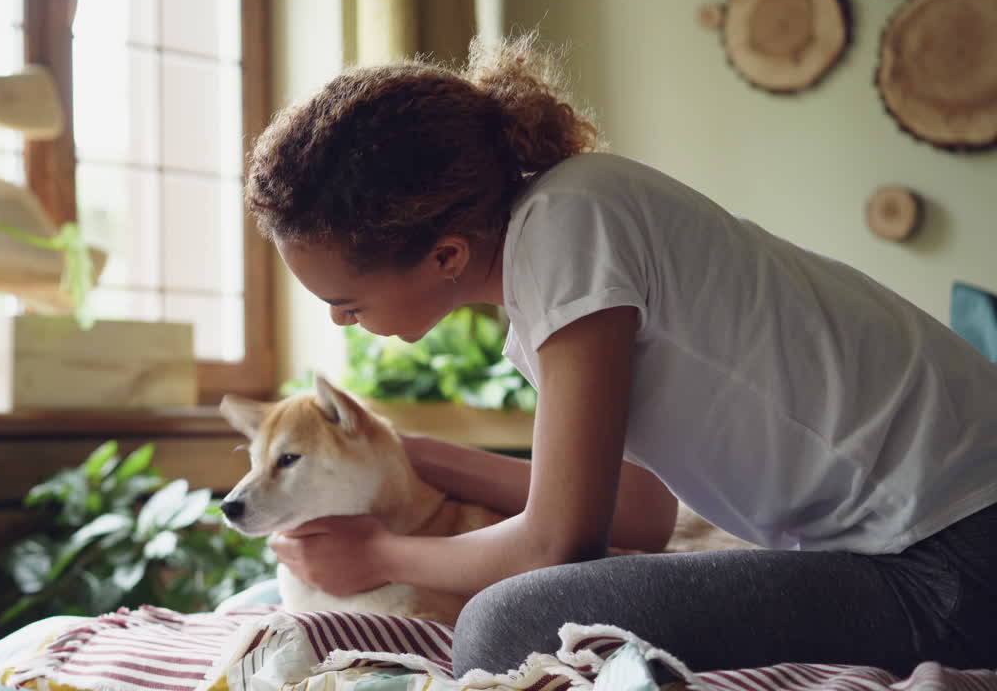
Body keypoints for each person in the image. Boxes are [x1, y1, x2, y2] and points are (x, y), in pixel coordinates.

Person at [243, 34, 997, 677]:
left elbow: (558, 540)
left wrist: (380, 554)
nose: (343, 322)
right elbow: (643, 513)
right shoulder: (557, 240)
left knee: (504, 627)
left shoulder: (569, 233)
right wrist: (419, 461)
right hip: (933, 539)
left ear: (445, 254)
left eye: (347, 302)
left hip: (956, 555)